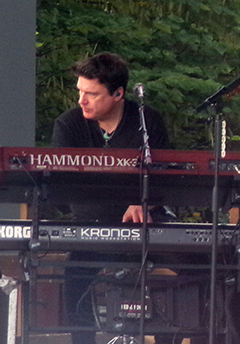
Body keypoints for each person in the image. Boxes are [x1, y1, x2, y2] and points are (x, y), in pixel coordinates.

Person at [51, 52, 176, 344]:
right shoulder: (69, 125)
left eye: (92, 94)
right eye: (80, 92)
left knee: (190, 275)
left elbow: (166, 175)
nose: (82, 100)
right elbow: (64, 183)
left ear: (118, 94)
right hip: (91, 223)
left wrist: (144, 201)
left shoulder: (147, 120)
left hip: (145, 221)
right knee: (75, 280)